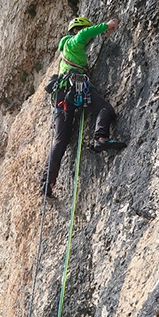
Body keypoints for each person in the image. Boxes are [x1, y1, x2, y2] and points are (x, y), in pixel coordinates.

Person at [41, 16, 126, 197]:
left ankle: (47, 181)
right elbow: (84, 35)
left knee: (60, 140)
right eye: (84, 33)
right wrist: (107, 25)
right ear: (76, 30)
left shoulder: (69, 52)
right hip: (76, 87)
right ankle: (101, 138)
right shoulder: (73, 43)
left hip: (62, 98)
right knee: (105, 109)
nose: (88, 40)